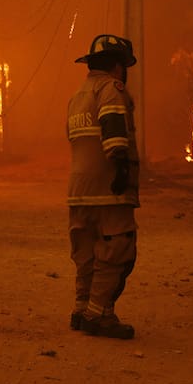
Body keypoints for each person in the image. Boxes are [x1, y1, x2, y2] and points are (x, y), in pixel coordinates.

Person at [66, 34, 140, 339]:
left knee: (86, 253)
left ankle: (82, 310)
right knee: (117, 251)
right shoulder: (111, 89)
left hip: (79, 190)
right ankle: (100, 315)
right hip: (108, 187)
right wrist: (121, 168)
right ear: (118, 67)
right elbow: (113, 130)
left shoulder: (77, 96)